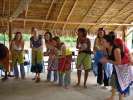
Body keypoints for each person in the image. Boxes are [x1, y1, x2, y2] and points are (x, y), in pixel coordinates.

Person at [100, 34, 133, 100]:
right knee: (114, 80)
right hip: (117, 66)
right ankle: (112, 97)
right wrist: (105, 58)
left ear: (108, 42)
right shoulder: (105, 48)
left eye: (103, 41)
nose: (101, 43)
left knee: (120, 82)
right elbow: (108, 57)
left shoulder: (116, 50)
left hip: (124, 66)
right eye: (101, 41)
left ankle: (121, 98)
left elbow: (119, 62)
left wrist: (107, 60)